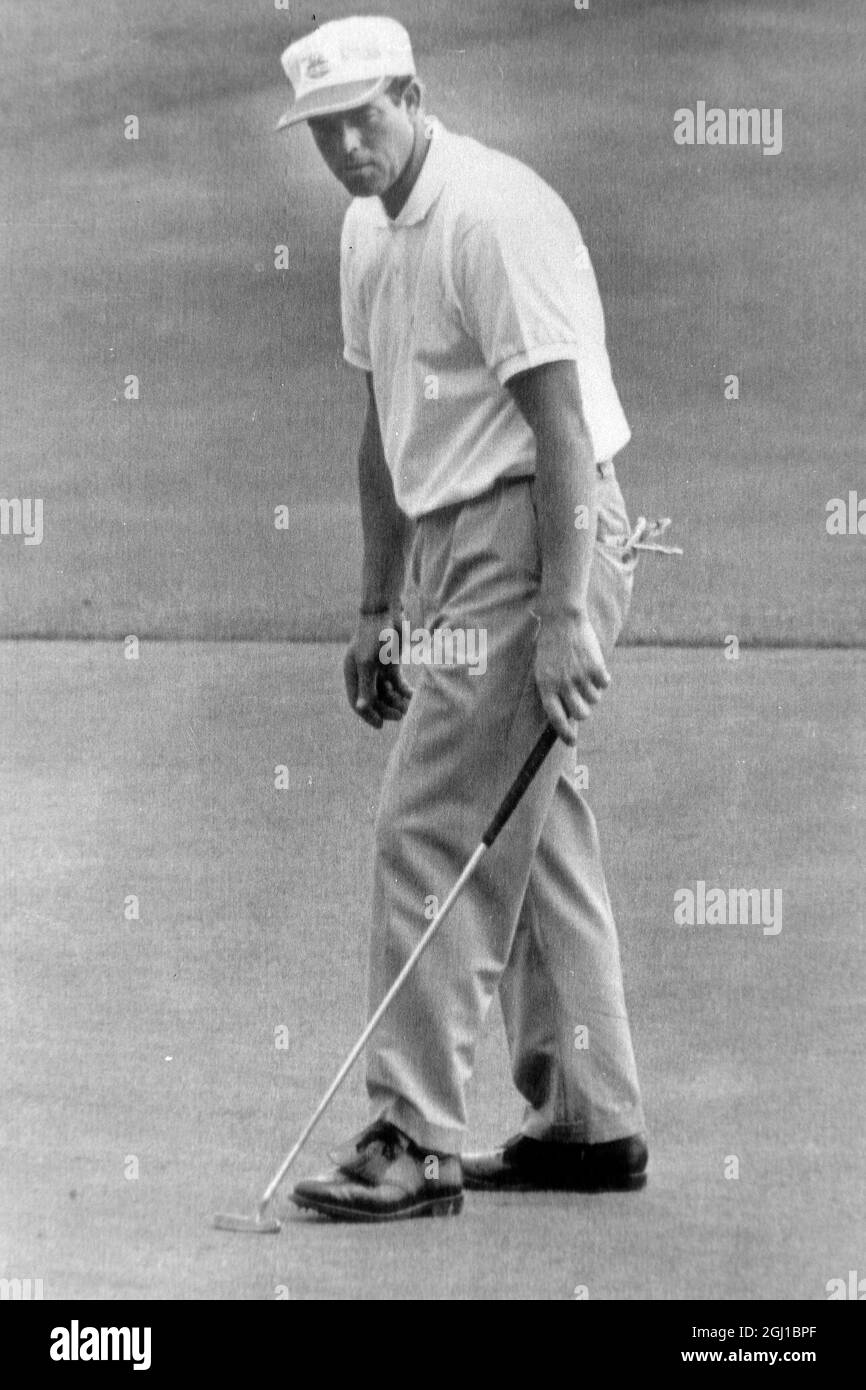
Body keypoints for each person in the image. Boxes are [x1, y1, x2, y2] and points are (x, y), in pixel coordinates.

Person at [277, 15, 648, 1221]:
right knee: (527, 831)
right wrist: (380, 604)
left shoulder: (493, 216)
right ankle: (590, 1119)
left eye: (364, 117)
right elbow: (382, 434)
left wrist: (561, 616)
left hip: (540, 532)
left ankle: (412, 1135)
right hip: (451, 549)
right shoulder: (363, 231)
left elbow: (563, 437)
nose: (345, 146)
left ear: (414, 94)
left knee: (430, 825)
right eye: (323, 129)